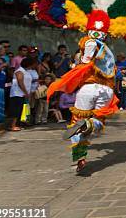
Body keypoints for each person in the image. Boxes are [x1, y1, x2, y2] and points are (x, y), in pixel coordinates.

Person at [47, 11, 120, 173]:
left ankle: (80, 156)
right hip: (106, 91)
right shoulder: (110, 53)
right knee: (98, 122)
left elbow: (90, 48)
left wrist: (83, 59)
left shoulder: (90, 41)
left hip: (88, 88)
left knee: (76, 122)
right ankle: (88, 125)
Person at [7, 57, 34, 131]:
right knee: (16, 110)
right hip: (17, 93)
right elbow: (20, 82)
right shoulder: (19, 71)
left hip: (22, 94)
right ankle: (13, 125)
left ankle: (17, 124)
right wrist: (26, 92)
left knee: (21, 110)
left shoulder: (26, 71)